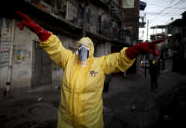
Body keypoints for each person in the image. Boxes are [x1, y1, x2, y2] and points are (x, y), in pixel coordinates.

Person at [15, 11, 164, 128]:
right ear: (77, 49)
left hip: (90, 124)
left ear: (91, 50)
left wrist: (135, 50)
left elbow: (119, 59)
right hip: (65, 123)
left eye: (86, 49)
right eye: (80, 48)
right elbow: (55, 47)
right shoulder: (68, 60)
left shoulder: (100, 64)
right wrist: (39, 31)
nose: (83, 51)